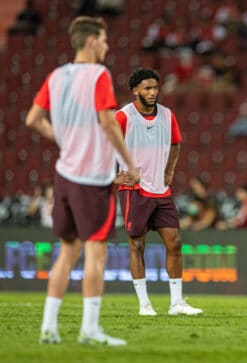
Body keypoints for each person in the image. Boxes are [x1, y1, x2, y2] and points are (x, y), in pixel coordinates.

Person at [25, 16, 140, 346]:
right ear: (90, 42)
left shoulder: (56, 76)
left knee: (67, 252)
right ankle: (89, 329)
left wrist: (62, 139)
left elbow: (32, 118)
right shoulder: (98, 75)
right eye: (103, 40)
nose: (106, 46)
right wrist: (130, 163)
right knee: (96, 254)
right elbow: (108, 122)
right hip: (92, 178)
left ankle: (49, 326)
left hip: (65, 175)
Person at [114, 68, 203, 317]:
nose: (153, 92)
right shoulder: (123, 116)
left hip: (161, 190)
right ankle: (144, 304)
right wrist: (112, 177)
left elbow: (176, 143)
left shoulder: (167, 115)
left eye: (155, 88)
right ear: (135, 91)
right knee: (137, 246)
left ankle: (176, 304)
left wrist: (170, 171)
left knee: (175, 242)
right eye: (147, 88)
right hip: (134, 189)